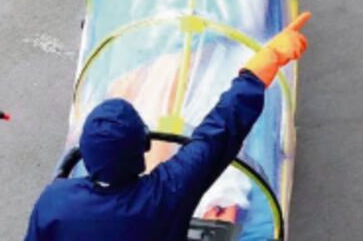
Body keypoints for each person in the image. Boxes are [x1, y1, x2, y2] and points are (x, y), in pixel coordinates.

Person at [24, 12, 311, 240]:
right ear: (142, 148)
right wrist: (262, 67)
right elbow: (218, 134)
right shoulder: (165, 194)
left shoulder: (54, 202)